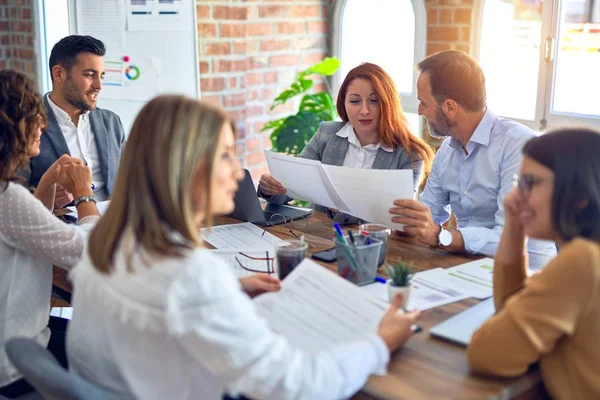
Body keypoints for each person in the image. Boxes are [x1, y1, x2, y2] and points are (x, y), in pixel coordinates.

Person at [66, 95, 421, 400]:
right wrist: (380, 342)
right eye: (225, 156)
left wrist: (228, 292)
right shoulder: (192, 277)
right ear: (184, 168)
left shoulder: (105, 237)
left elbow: (162, 305)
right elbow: (296, 386)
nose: (238, 172)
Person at [389, 50, 556, 269]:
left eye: (423, 103)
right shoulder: (447, 151)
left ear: (450, 107)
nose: (419, 111)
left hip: (527, 275)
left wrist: (442, 237)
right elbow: (429, 214)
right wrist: (405, 222)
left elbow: (508, 237)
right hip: (470, 268)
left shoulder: (518, 146)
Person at [467, 128, 600, 399]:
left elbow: (489, 354)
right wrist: (513, 224)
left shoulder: (581, 261)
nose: (516, 196)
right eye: (519, 183)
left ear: (578, 195)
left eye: (529, 183)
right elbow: (510, 307)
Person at [0, 70, 101, 398]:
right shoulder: (7, 197)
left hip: (16, 341)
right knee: (111, 351)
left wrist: (43, 189)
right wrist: (85, 196)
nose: (42, 125)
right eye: (33, 115)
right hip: (15, 364)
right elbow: (91, 255)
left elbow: (22, 233)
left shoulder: (9, 196)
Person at [258, 62, 434, 225]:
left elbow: (397, 216)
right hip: (318, 239)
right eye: (355, 101)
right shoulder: (326, 134)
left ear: (388, 103)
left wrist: (341, 208)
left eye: (374, 101)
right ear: (344, 103)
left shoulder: (410, 154)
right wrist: (270, 188)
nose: (364, 110)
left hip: (374, 245)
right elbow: (289, 189)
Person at [23, 35, 125, 207]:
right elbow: (10, 192)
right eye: (90, 75)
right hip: (57, 227)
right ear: (59, 74)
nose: (99, 85)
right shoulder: (27, 123)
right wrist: (45, 197)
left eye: (101, 76)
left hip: (110, 225)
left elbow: (127, 180)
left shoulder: (111, 122)